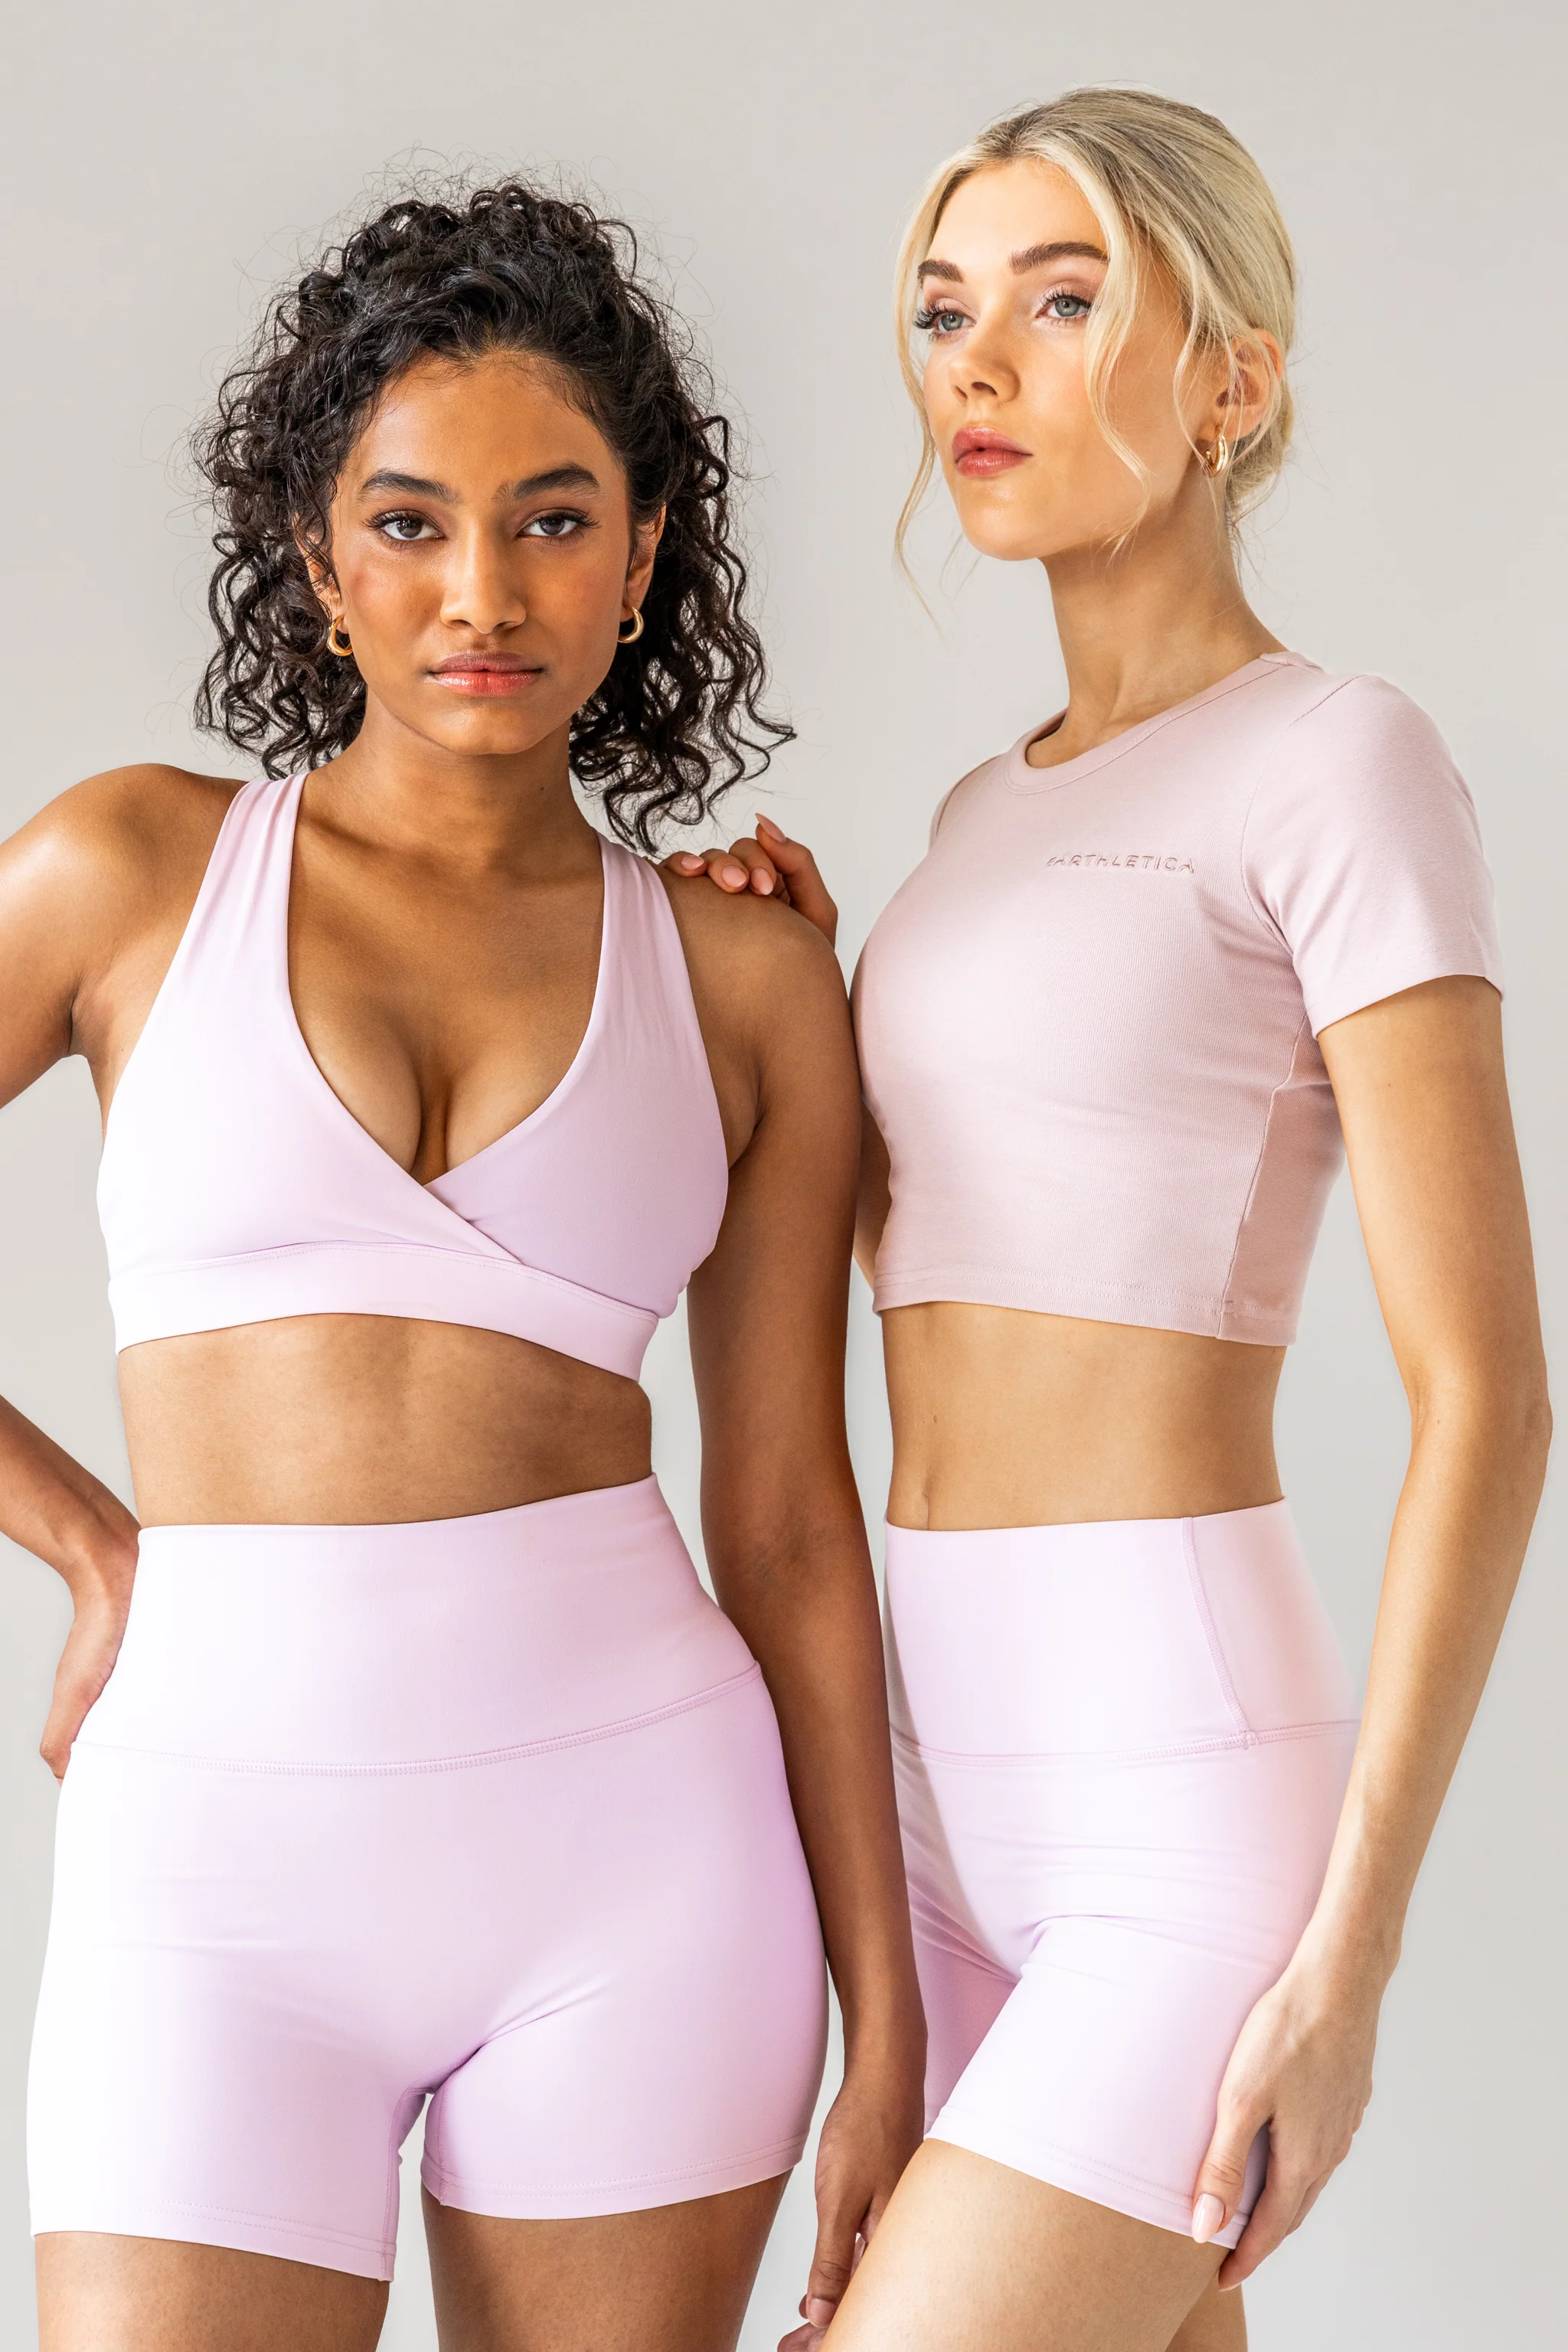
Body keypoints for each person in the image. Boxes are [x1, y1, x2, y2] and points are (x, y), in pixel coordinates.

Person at [2, 181, 923, 2352]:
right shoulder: (128, 869)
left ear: (647, 551)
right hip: (211, 1876)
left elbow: (791, 1521)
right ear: (317, 561)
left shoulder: (746, 984)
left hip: (640, 1862)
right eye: (408, 525)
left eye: (553, 519)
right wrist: (92, 1546)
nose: (483, 594)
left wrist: (889, 2020)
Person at [674, 89, 1549, 2352]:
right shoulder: (978, 818)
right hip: (935, 1786)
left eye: (1064, 305)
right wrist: (800, 981)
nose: (978, 364)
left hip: (1179, 1796)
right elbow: (955, 1247)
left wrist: (1351, 1959)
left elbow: (1490, 1398)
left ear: (1233, 377)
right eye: (942, 309)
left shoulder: (1340, 760)